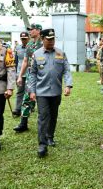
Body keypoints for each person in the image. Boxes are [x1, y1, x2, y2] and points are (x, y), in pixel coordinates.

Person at [28, 28, 72, 157]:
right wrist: (32, 90)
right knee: (43, 117)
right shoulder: (36, 54)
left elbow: (67, 70)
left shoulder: (61, 53)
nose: (51, 41)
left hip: (56, 91)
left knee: (53, 115)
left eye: (53, 39)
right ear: (42, 39)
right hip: (41, 92)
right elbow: (33, 74)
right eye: (48, 39)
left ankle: (50, 136)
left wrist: (68, 85)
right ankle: (42, 144)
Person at [14, 23, 43, 132]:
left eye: (32, 29)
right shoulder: (29, 44)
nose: (30, 31)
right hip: (31, 75)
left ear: (38, 30)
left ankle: (44, 124)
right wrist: (20, 76)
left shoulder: (44, 43)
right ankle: (23, 124)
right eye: (29, 30)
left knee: (42, 100)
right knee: (26, 99)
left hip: (42, 75)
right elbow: (25, 61)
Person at [12, 32, 30, 117]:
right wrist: (15, 73)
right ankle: (18, 109)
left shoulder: (32, 48)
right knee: (20, 91)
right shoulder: (18, 48)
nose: (24, 40)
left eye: (25, 38)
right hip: (20, 73)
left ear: (28, 38)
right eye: (22, 39)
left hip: (30, 73)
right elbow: (16, 60)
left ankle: (30, 106)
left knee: (29, 92)